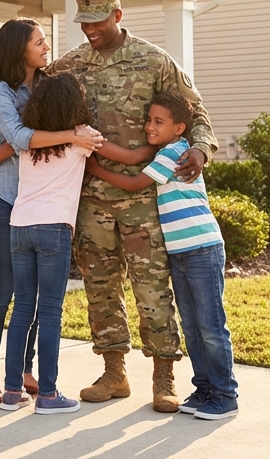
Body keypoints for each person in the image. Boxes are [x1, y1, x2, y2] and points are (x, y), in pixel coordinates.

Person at [0, 0, 217, 412]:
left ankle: (164, 376)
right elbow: (21, 85)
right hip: (88, 198)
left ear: (118, 16)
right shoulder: (69, 65)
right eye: (83, 22)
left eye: (97, 21)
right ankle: (114, 371)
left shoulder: (154, 60)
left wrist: (200, 148)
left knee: (151, 288)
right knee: (101, 288)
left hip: (143, 195)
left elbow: (194, 111)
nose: (89, 29)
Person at [84, 91, 238, 420]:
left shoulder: (176, 153)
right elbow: (129, 156)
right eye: (148, 120)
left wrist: (94, 169)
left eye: (158, 122)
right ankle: (204, 389)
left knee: (210, 326)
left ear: (180, 128)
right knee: (193, 327)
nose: (149, 126)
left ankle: (225, 395)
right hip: (180, 254)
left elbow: (133, 182)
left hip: (202, 249)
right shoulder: (165, 151)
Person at [0, 18, 103, 404]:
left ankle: (24, 370)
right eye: (39, 42)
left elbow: (24, 137)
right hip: (4, 197)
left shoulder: (47, 84)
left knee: (31, 297)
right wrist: (69, 135)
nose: (46, 47)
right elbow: (17, 138)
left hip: (39, 202)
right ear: (19, 49)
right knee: (4, 288)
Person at [0, 71, 93, 414]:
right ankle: (49, 395)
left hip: (19, 226)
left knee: (23, 308)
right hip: (53, 228)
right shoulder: (82, 139)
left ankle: (11, 392)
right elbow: (100, 144)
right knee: (50, 312)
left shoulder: (29, 147)